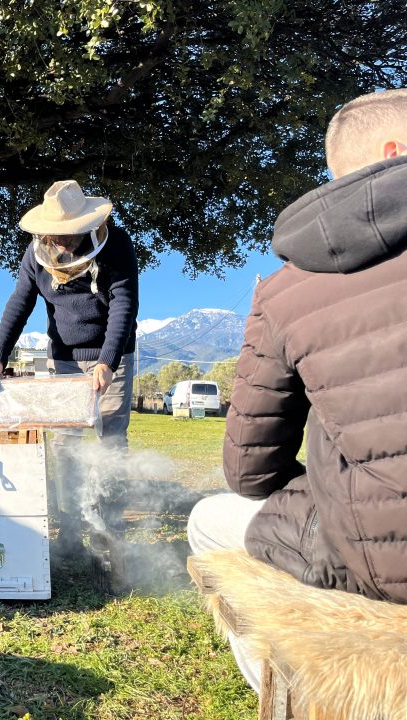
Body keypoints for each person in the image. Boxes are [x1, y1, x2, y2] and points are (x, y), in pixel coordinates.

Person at [187, 88, 407, 691]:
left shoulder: (288, 288)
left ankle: (300, 694)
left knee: (207, 520)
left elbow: (250, 473)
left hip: (382, 563)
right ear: (396, 151)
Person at [0, 180, 139, 447]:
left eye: (69, 232)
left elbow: (123, 305)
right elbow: (20, 303)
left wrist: (108, 361)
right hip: (64, 357)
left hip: (113, 354)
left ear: (87, 225)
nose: (62, 240)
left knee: (112, 438)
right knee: (65, 441)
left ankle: (114, 478)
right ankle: (65, 478)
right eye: (56, 233)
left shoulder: (117, 244)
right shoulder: (35, 255)